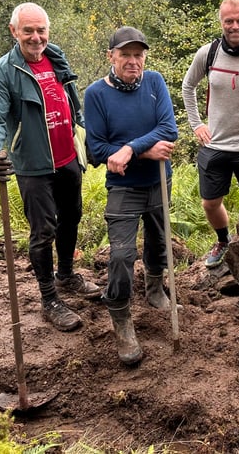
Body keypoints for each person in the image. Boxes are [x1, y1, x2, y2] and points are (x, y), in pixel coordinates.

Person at [0, 2, 102, 332]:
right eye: (28, 31)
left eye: (41, 30)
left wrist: (87, 135)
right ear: (14, 32)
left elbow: (71, 99)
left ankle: (66, 275)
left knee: (72, 217)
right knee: (43, 231)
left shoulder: (55, 56)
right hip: (32, 163)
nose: (36, 37)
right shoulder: (3, 70)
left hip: (67, 157)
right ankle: (49, 299)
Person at [84, 26, 178, 365]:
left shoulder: (154, 82)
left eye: (138, 55)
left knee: (159, 240)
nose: (133, 61)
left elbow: (169, 129)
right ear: (111, 57)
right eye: (125, 55)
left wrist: (130, 149)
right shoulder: (96, 94)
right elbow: (95, 149)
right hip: (123, 189)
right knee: (122, 255)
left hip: (158, 181)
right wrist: (142, 151)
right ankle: (121, 318)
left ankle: (155, 287)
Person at [181, 0, 239, 269]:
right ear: (221, 22)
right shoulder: (207, 54)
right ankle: (223, 240)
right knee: (210, 203)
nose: (235, 26)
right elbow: (188, 87)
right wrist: (197, 124)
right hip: (216, 145)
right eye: (229, 21)